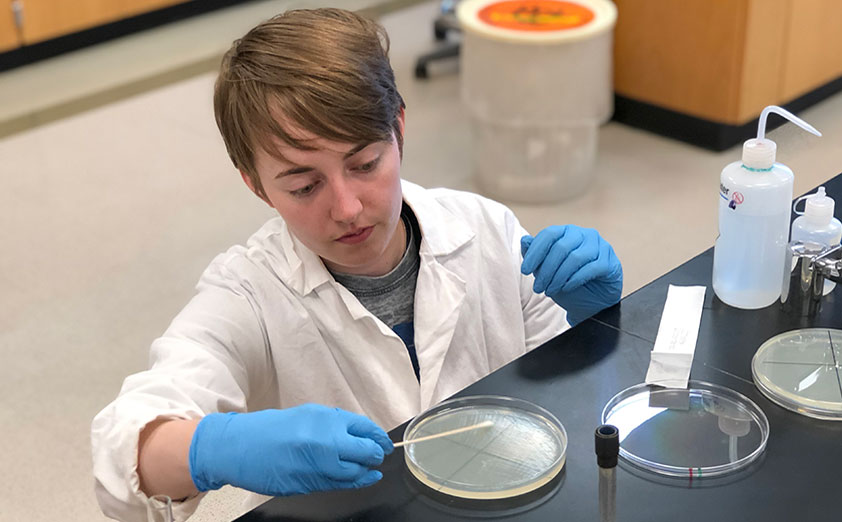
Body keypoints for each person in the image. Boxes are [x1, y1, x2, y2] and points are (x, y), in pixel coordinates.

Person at [91, 7, 623, 521]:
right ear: (254, 183)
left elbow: (561, 403)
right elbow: (122, 457)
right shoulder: (246, 294)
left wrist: (597, 325)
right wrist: (214, 449)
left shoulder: (486, 229)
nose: (346, 209)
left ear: (399, 129)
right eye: (304, 185)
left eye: (365, 163)